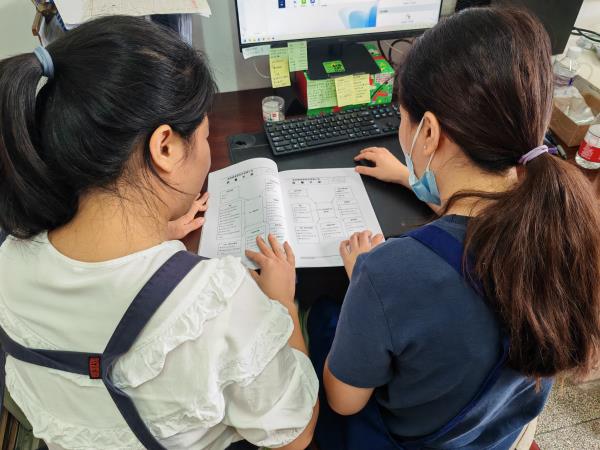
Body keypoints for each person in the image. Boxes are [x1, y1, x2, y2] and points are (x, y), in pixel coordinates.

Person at [0, 16, 318, 450]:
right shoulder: (216, 302)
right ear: (164, 147)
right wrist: (282, 302)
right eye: (204, 137)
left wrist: (158, 231)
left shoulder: (9, 262)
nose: (206, 152)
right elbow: (295, 436)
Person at [308, 7, 600, 450]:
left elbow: (344, 402)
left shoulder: (390, 272)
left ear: (428, 131)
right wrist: (408, 178)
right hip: (493, 433)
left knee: (318, 314)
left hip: (408, 438)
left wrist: (362, 285)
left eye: (402, 117)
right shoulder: (562, 225)